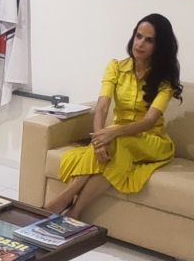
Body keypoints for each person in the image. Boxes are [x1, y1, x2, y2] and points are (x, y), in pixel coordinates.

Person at [45, 14, 183, 218]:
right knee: (113, 148)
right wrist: (99, 140)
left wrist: (112, 133)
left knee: (117, 139)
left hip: (152, 141)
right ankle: (75, 214)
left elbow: (149, 121)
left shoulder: (165, 81)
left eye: (149, 40)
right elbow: (102, 107)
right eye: (138, 36)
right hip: (117, 138)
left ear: (159, 46)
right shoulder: (116, 67)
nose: (140, 44)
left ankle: (64, 199)